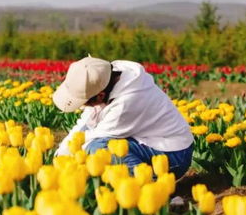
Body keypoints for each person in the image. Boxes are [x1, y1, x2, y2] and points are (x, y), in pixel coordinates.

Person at [53, 56, 193, 179]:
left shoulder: (127, 103)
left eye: (85, 103)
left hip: (174, 153)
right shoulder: (107, 75)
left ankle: (151, 189)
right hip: (148, 140)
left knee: (98, 149)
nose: (83, 107)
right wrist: (59, 158)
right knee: (90, 144)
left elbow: (90, 139)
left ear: (100, 95)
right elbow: (84, 125)